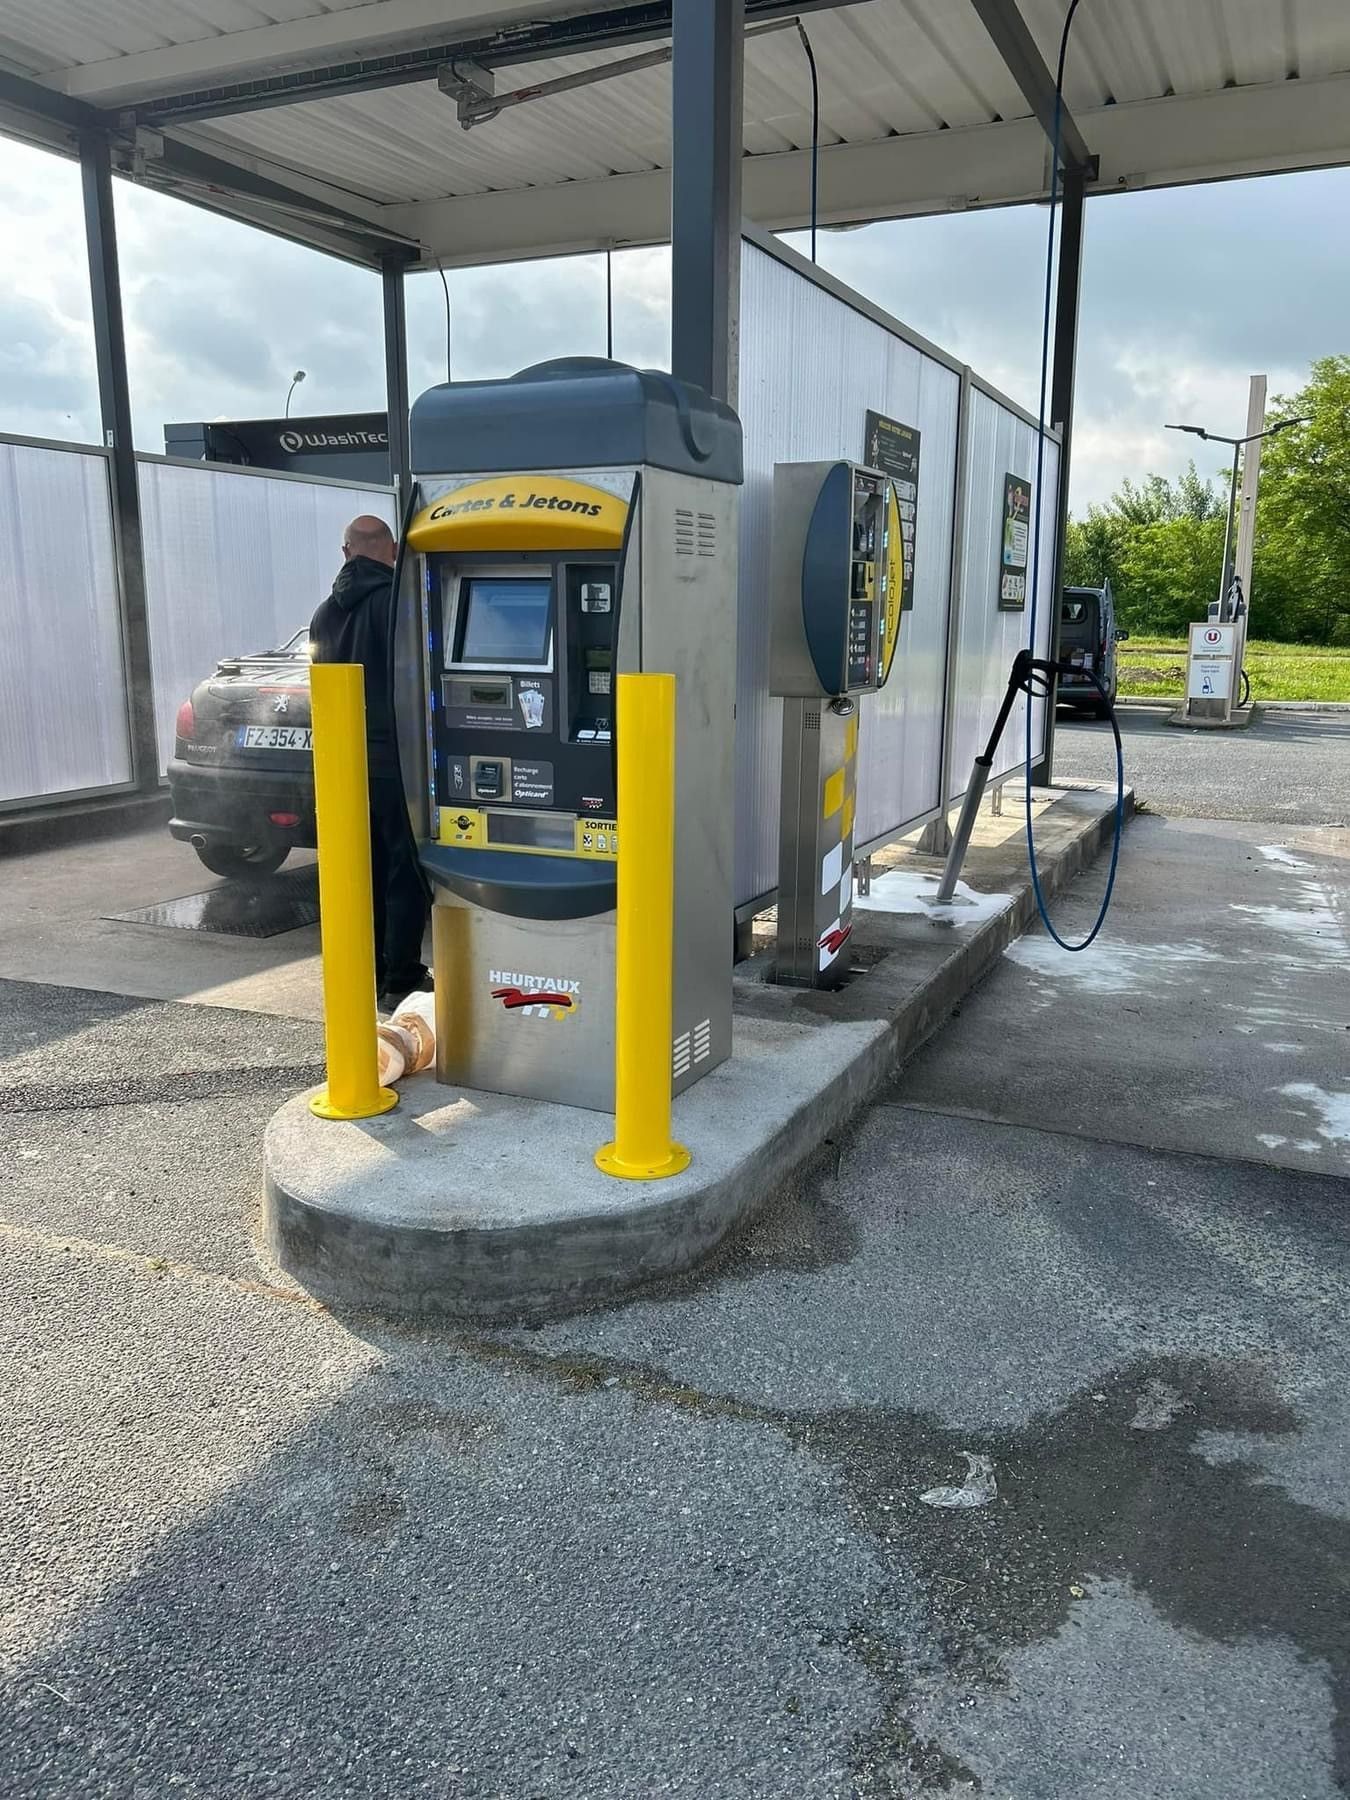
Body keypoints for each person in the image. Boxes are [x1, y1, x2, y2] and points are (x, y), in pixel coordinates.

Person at [310, 515, 430, 1007]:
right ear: (394, 550)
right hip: (395, 762)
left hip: (345, 764)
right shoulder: (397, 605)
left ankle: (370, 971)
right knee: (405, 870)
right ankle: (401, 976)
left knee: (363, 872)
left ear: (346, 553)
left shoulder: (324, 614)